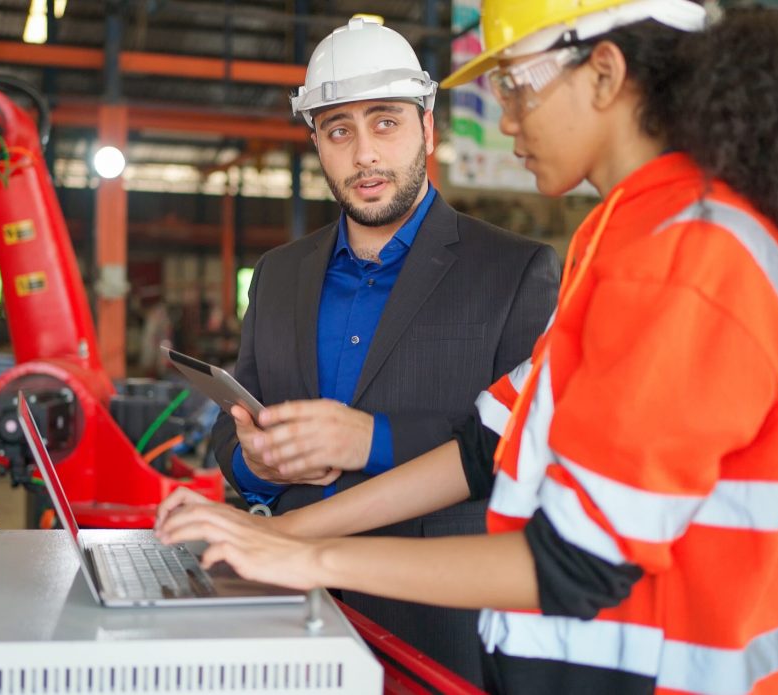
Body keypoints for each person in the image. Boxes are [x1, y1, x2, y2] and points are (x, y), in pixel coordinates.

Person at [157, 1, 778, 693]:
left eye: (517, 85)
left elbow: (573, 564)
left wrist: (313, 561)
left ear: (605, 74)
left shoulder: (686, 255)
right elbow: (483, 445)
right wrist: (285, 534)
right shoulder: (622, 236)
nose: (505, 120)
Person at [208, 16, 560, 684]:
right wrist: (256, 463)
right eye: (339, 129)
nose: (364, 154)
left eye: (386, 122)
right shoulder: (280, 274)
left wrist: (370, 438)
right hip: (291, 612)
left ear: (428, 127)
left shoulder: (514, 271)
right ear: (316, 141)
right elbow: (228, 432)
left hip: (438, 626)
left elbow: (527, 447)